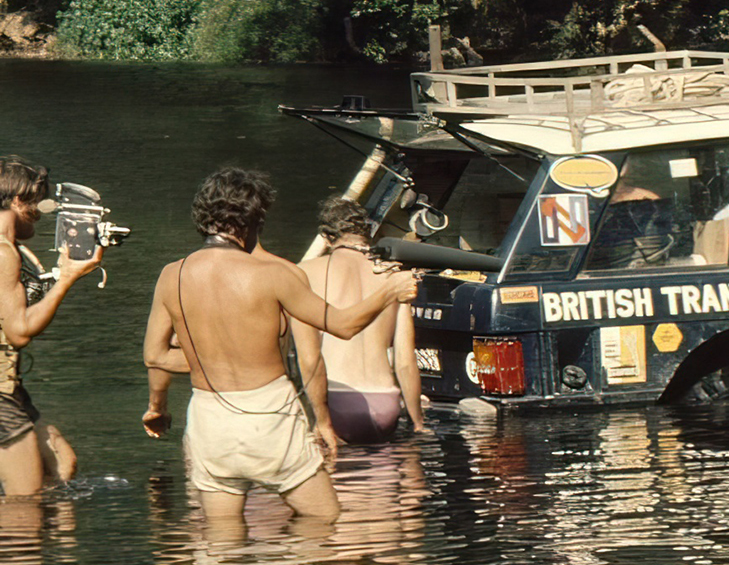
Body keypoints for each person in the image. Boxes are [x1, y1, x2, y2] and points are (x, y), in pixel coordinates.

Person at [141, 168, 417, 524]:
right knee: (323, 517)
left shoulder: (171, 275)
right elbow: (343, 325)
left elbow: (155, 356)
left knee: (223, 535)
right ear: (251, 221)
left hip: (208, 418)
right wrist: (390, 292)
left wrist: (172, 394)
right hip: (267, 414)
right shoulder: (273, 274)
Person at [0, 156, 104, 496]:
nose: (41, 212)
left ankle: (56, 546)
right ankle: (23, 544)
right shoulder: (3, 252)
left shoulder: (11, 247)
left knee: (62, 462)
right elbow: (19, 331)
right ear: (17, 201)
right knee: (26, 500)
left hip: (11, 388)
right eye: (37, 201)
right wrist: (68, 279)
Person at [297, 196, 427, 444]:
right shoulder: (393, 276)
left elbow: (308, 356)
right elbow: (405, 360)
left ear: (326, 237)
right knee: (382, 480)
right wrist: (418, 423)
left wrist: (317, 418)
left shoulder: (307, 271)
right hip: (386, 402)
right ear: (367, 234)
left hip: (337, 403)